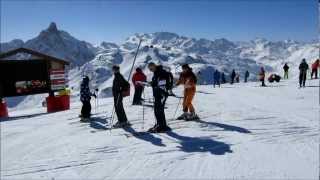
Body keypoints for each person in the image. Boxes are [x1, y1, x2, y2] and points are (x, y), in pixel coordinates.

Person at [147, 62, 172, 133]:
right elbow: (157, 83)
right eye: (149, 69)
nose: (150, 70)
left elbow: (162, 84)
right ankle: (159, 124)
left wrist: (154, 84)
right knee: (156, 109)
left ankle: (162, 126)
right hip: (158, 93)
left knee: (159, 110)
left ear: (154, 66)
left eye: (151, 68)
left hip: (162, 94)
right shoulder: (156, 73)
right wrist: (151, 83)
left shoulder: (161, 72)